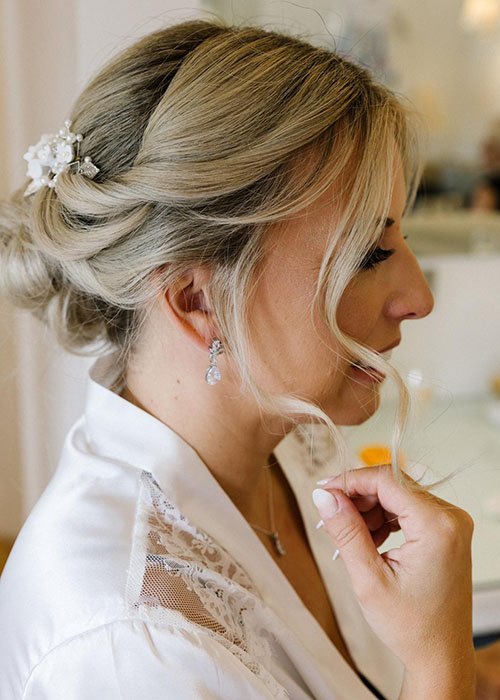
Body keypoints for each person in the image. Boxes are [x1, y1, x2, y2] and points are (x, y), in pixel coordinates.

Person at [0, 17, 483, 700]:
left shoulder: (292, 439)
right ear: (198, 297)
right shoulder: (133, 649)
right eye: (366, 255)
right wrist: (441, 660)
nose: (417, 297)